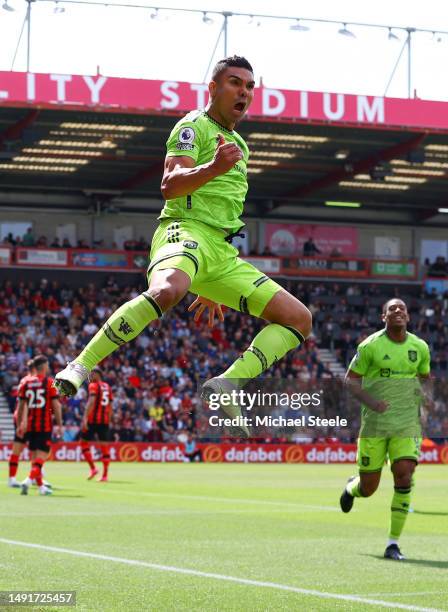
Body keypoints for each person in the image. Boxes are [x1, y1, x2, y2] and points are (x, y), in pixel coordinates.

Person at [53, 56, 312, 438]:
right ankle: (80, 364)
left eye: (250, 87)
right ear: (213, 88)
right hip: (183, 230)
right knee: (168, 290)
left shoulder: (239, 143)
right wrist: (212, 168)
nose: (244, 92)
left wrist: (210, 287)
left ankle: (228, 383)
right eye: (235, 83)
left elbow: (224, 210)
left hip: (221, 254)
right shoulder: (194, 126)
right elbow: (170, 184)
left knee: (299, 319)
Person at [339, 298, 431, 561]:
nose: (398, 311)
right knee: (369, 487)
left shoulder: (420, 347)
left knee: (404, 475)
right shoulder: (370, 346)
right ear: (384, 317)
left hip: (407, 423)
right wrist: (373, 403)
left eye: (402, 308)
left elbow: (424, 379)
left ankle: (393, 544)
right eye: (392, 309)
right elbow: (350, 381)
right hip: (375, 425)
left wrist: (426, 400)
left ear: (408, 317)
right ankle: (351, 489)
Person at [16, 355, 62, 496]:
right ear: (44, 366)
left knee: (35, 456)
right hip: (44, 425)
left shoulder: (25, 383)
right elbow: (56, 405)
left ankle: (41, 487)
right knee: (42, 456)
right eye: (47, 365)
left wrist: (19, 425)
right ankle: (28, 480)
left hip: (30, 425)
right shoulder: (49, 383)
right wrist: (59, 424)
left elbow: (21, 407)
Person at [80, 367, 113, 482]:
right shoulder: (108, 387)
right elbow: (111, 405)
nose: (90, 376)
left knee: (83, 443)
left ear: (98, 374)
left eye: (91, 374)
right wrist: (108, 420)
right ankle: (105, 475)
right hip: (104, 421)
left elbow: (92, 401)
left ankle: (93, 468)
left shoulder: (93, 385)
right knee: (104, 447)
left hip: (93, 420)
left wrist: (84, 417)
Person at [8, 358, 36, 488]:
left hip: (26, 418)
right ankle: (14, 478)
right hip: (25, 419)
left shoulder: (26, 381)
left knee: (32, 449)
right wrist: (23, 421)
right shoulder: (29, 382)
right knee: (23, 448)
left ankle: (15, 478)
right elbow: (23, 404)